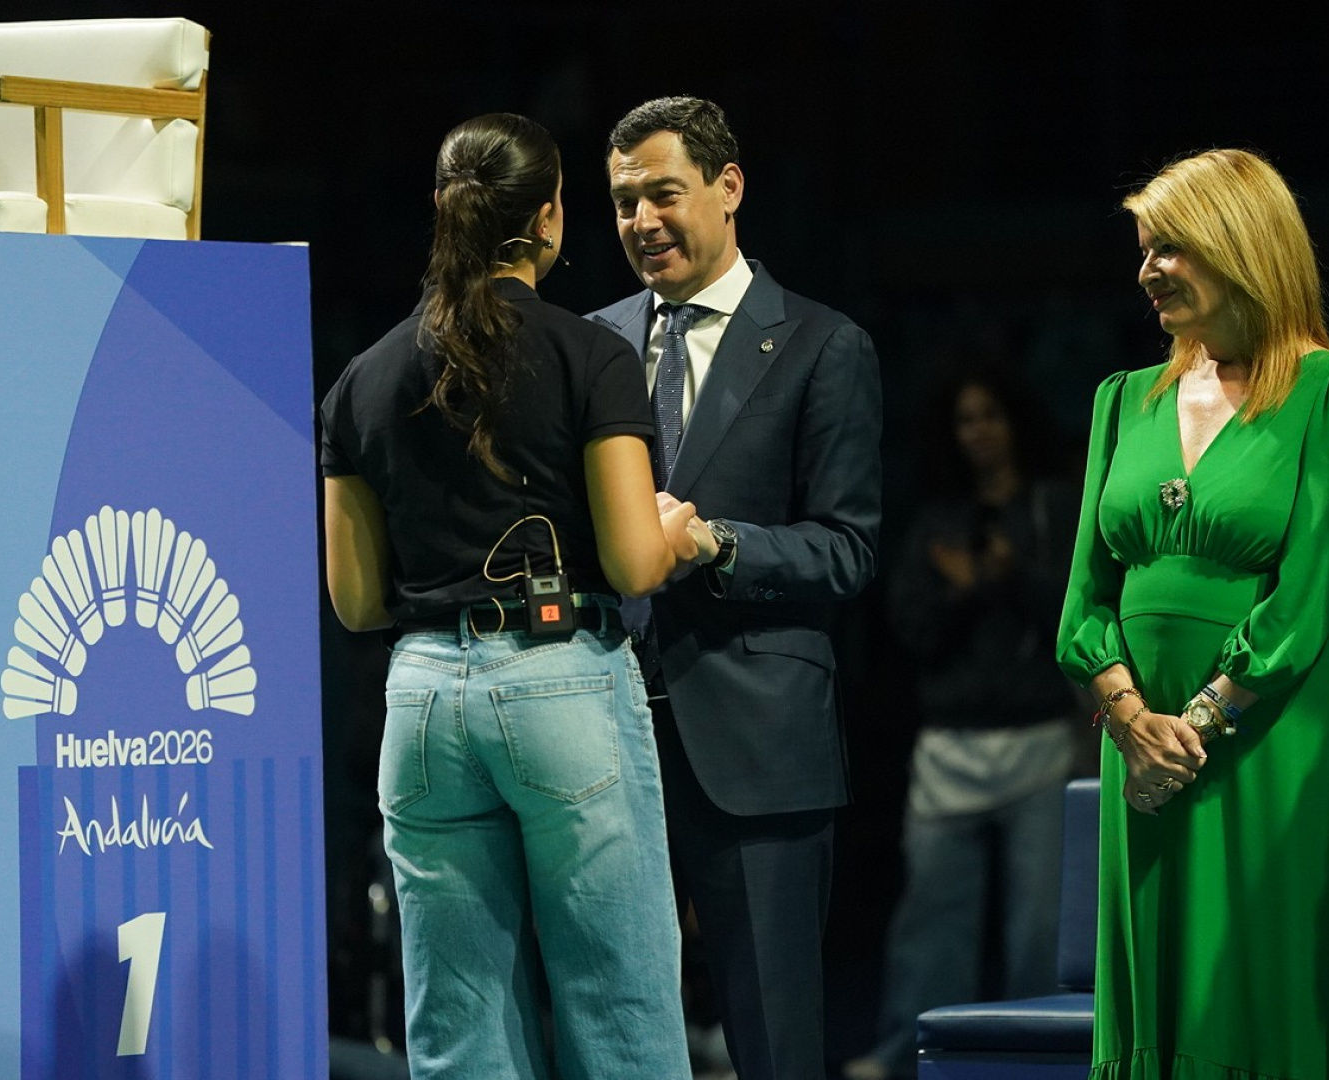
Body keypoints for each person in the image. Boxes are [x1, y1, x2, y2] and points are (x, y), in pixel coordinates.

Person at [318, 112, 700, 1080]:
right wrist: (673, 530)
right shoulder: (591, 356)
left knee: (458, 1027)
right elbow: (632, 565)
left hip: (422, 700)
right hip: (558, 680)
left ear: (444, 212)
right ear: (550, 217)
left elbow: (356, 601)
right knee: (619, 1010)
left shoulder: (362, 379)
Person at [1055, 148, 1329, 1079]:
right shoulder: (1121, 399)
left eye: (1168, 248)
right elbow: (1084, 598)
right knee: (1157, 993)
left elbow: (1308, 597)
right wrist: (1133, 723)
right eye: (1143, 250)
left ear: (1240, 244)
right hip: (1138, 745)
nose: (1147, 271)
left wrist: (1192, 730)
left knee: (1259, 984)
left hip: (1267, 736)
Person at [588, 95, 883, 1080]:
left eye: (663, 194)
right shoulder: (590, 343)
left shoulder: (821, 345)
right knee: (609, 1033)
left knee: (774, 1045)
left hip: (759, 751)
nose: (642, 221)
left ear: (729, 187)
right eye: (623, 201)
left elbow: (847, 550)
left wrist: (716, 543)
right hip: (597, 744)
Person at [845, 370, 1082, 1080]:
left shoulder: (1053, 508)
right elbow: (908, 628)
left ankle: (1046, 1056)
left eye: (990, 416)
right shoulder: (937, 519)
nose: (978, 432)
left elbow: (1079, 614)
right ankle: (908, 1052)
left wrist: (1007, 577)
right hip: (949, 742)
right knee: (931, 918)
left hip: (1039, 739)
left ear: (1017, 423)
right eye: (966, 419)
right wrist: (964, 593)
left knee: (1040, 925)